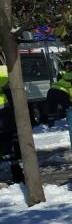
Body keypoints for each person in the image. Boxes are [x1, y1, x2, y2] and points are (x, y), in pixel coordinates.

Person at [0, 53, 24, 183]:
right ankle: (16, 172)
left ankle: (16, 173)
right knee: (9, 145)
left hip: (3, 114)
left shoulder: (2, 72)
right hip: (6, 113)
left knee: (6, 146)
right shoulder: (5, 70)